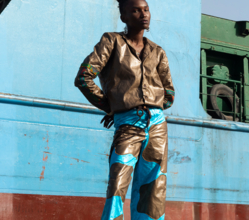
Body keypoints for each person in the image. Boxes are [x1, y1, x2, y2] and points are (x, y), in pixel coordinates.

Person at [74, 0, 174, 219]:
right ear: (124, 17)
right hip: (129, 122)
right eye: (136, 10)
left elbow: (169, 95)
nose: (143, 14)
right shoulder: (112, 41)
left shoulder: (158, 52)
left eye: (146, 9)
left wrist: (150, 106)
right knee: (117, 183)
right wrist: (112, 107)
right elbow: (83, 78)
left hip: (157, 125)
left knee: (154, 188)